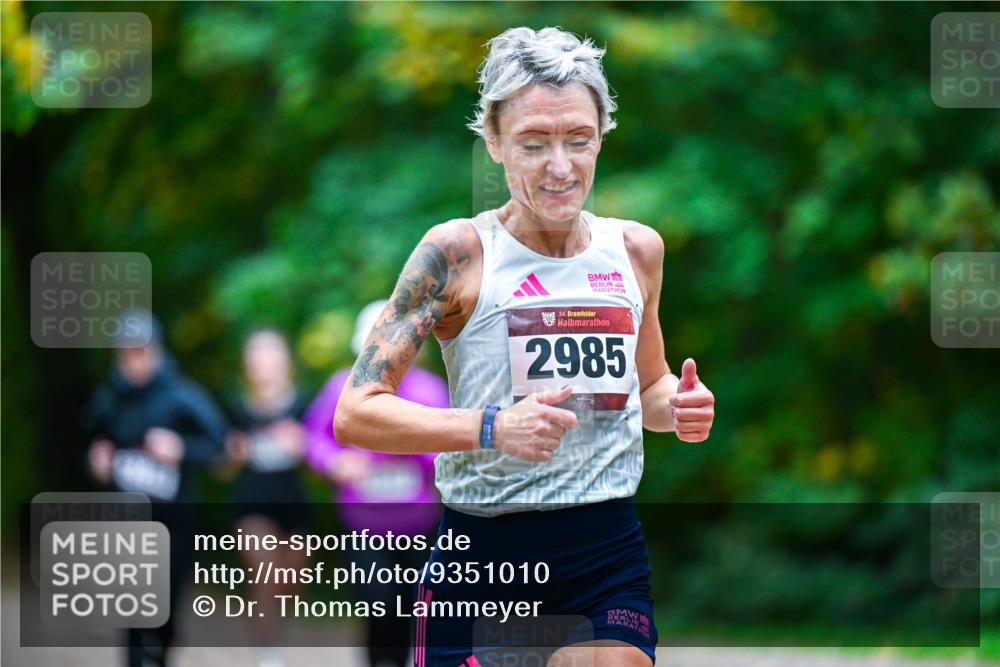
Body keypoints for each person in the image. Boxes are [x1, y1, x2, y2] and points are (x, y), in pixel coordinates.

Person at [334, 27, 716, 667]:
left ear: (602, 135)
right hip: (483, 556)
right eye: (534, 144)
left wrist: (676, 408)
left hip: (605, 547)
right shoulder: (457, 255)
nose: (560, 167)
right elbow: (356, 412)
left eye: (579, 141)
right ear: (494, 142)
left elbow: (647, 391)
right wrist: (493, 427)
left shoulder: (635, 251)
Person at [304, 300, 447, 667]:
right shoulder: (341, 388)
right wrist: (335, 461)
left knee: (416, 606)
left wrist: (408, 447)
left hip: (419, 525)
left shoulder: (429, 391)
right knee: (378, 602)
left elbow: (447, 452)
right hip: (363, 524)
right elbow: (314, 439)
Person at [84, 309, 227, 667]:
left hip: (175, 519)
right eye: (128, 353)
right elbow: (92, 441)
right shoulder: (108, 398)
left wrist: (181, 449)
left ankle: (161, 653)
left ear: (158, 351)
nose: (137, 361)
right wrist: (96, 458)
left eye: (143, 351)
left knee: (165, 603)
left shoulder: (183, 396)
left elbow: (220, 448)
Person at [224, 327, 311, 667]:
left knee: (291, 582)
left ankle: (273, 631)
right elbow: (221, 464)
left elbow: (323, 453)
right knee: (265, 570)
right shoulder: (234, 406)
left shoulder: (305, 402)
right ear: (247, 365)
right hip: (252, 503)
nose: (263, 362)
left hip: (295, 503)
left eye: (270, 354)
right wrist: (234, 453)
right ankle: (265, 649)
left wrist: (302, 445)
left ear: (285, 361)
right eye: (256, 355)